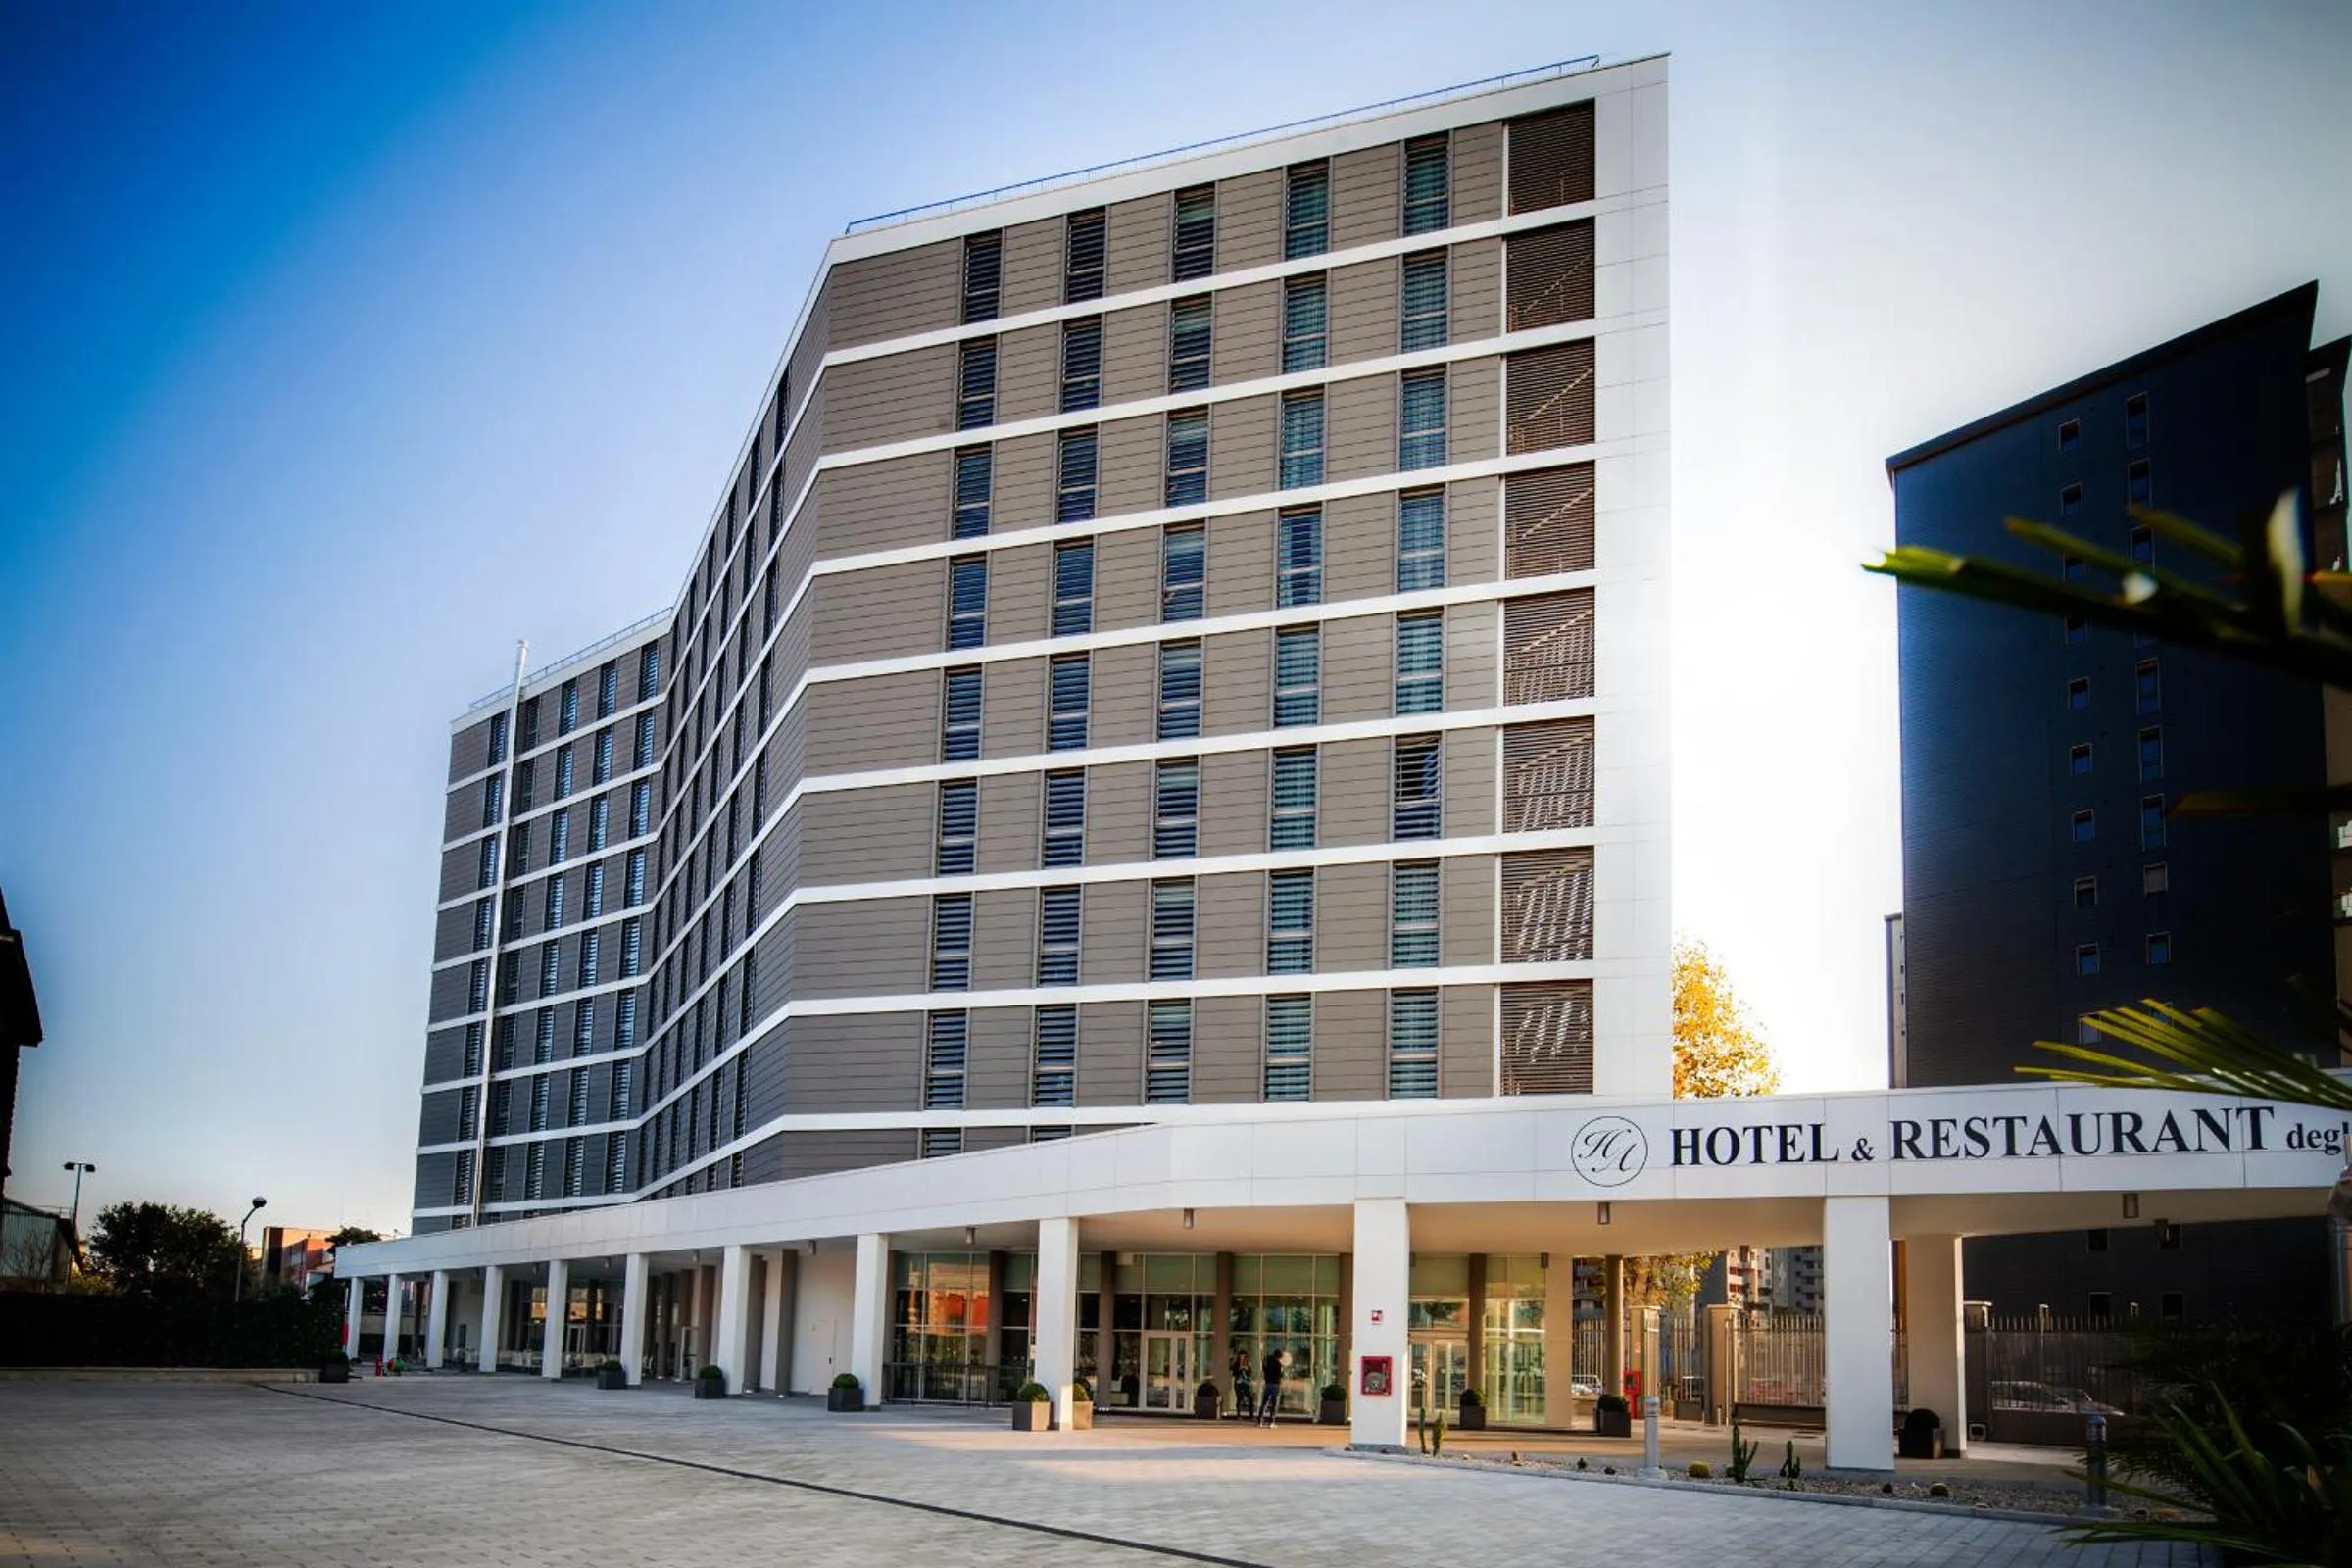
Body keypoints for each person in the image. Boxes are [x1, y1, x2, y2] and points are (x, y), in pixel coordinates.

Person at [1257, 1347, 1288, 1426]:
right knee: (1274, 1404)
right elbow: (1280, 1375)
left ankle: (1260, 1421)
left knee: (1264, 1403)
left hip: (1267, 1383)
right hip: (1275, 1384)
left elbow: (1264, 1368)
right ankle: (1272, 1422)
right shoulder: (1278, 1364)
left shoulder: (1267, 1360)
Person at [1228, 1347, 1252, 1421]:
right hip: (1238, 1383)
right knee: (1239, 1398)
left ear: (1246, 1357)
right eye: (1241, 1356)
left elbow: (1250, 1374)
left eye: (1243, 1356)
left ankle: (1251, 1416)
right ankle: (1238, 1415)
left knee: (1250, 1398)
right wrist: (1238, 1369)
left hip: (1246, 1383)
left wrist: (1247, 1369)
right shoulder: (1236, 1363)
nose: (1242, 1357)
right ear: (1238, 1356)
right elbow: (1232, 1372)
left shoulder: (1248, 1364)